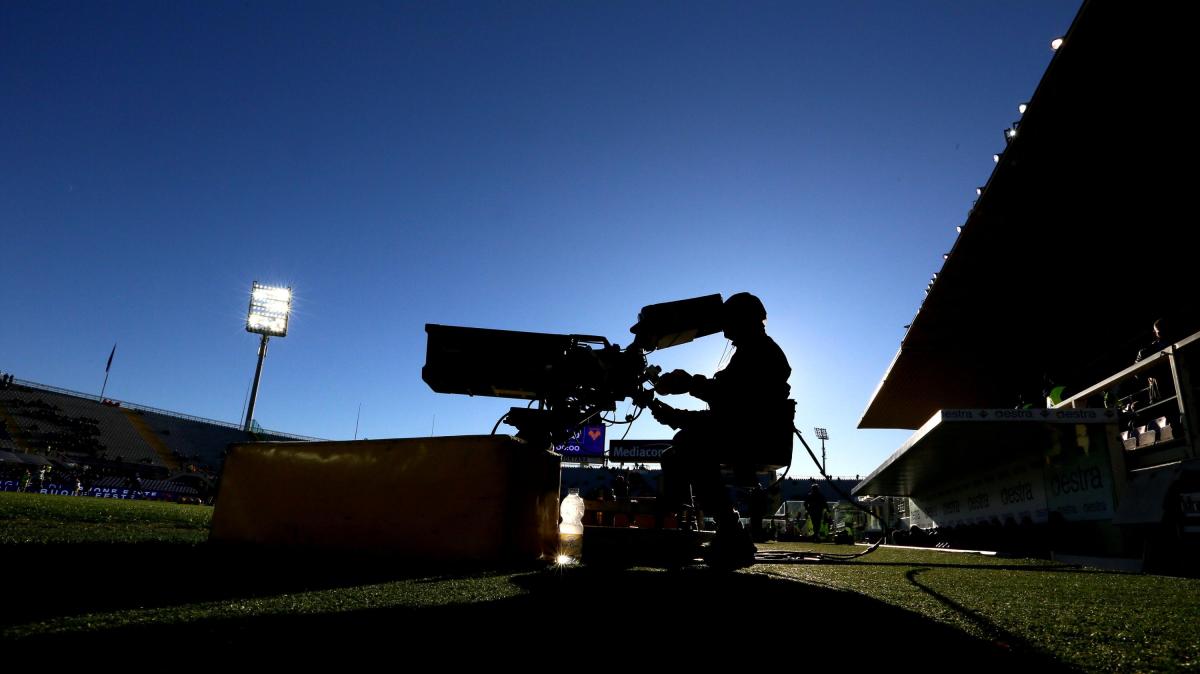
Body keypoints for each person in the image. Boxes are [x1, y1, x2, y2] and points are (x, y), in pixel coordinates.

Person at [650, 292, 794, 568]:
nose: (724, 331)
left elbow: (733, 406)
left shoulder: (760, 353)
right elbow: (726, 411)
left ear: (744, 320)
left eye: (728, 322)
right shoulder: (754, 351)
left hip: (752, 437)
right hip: (747, 432)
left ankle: (724, 530)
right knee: (678, 450)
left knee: (687, 446)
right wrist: (676, 413)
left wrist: (688, 387)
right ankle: (722, 529)